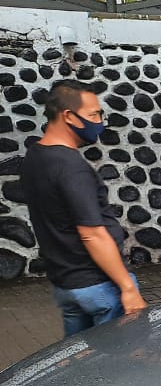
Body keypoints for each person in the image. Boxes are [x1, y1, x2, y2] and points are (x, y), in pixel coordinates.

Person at [18, 80, 147, 336]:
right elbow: (92, 233)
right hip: (97, 285)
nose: (100, 121)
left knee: (79, 362)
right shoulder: (70, 166)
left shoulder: (36, 155)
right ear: (69, 116)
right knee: (121, 363)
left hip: (66, 285)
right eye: (94, 114)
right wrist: (127, 288)